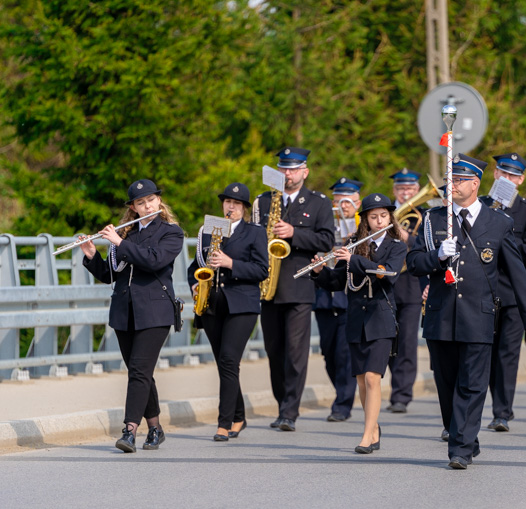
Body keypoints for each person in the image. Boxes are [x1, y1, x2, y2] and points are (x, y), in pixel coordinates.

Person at [406, 154, 526, 469]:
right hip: (441, 315)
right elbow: (413, 263)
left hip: (478, 316)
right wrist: (436, 256)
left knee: (472, 384)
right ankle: (466, 435)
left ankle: (461, 449)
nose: (451, 185)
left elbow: (517, 273)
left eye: (458, 180)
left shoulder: (499, 222)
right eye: (450, 179)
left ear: (475, 183)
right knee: (446, 384)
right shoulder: (433, 219)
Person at [80, 179, 184, 453]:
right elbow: (110, 275)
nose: (147, 205)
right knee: (141, 373)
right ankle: (156, 429)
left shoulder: (172, 233)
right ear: (134, 208)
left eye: (151, 199)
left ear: (158, 201)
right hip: (125, 312)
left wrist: (118, 241)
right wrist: (92, 256)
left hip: (155, 311)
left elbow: (154, 261)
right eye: (140, 202)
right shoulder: (127, 233)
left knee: (139, 370)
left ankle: (129, 431)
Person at [311, 194, 406, 453]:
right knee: (363, 381)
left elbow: (388, 275)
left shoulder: (396, 246)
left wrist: (355, 260)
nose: (378, 221)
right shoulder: (355, 243)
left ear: (390, 218)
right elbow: (339, 281)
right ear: (365, 219)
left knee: (374, 378)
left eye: (383, 216)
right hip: (356, 318)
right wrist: (319, 272)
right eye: (373, 216)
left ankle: (366, 435)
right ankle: (373, 427)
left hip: (381, 317)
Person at [252, 147, 335, 432]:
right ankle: (281, 405)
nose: (288, 174)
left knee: (295, 351)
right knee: (274, 350)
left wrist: (294, 234)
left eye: (293, 169)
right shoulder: (263, 201)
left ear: (305, 172)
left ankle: (290, 410)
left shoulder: (319, 202)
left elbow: (326, 240)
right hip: (268, 287)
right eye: (283, 169)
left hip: (299, 286)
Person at [188, 183, 269, 441]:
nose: (230, 207)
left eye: (236, 203)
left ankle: (223, 424)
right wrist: (193, 282)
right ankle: (239, 416)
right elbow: (195, 265)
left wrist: (230, 263)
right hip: (212, 304)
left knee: (228, 361)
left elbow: (261, 270)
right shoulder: (209, 230)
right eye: (226, 202)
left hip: (242, 304)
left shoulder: (255, 233)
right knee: (225, 365)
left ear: (244, 208)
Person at [480, 153, 526, 431]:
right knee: (486, 351)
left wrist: (503, 234)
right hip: (483, 289)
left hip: (513, 293)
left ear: (521, 180)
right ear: (495, 175)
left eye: (513, 176)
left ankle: (502, 411)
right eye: (502, 174)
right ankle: (492, 404)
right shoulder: (480, 205)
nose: (507, 180)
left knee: (507, 353)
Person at [314, 177, 361, 423]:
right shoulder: (325, 226)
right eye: (338, 200)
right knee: (328, 353)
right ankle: (340, 393)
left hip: (347, 298)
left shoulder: (363, 227)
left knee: (344, 354)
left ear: (358, 202)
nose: (343, 206)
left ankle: (343, 403)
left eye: (349, 201)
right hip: (324, 298)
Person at [387, 168, 426, 414]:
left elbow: (425, 246)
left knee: (408, 342)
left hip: (411, 286)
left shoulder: (425, 215)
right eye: (401, 189)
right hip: (387, 284)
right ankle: (396, 385)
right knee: (389, 341)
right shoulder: (385, 214)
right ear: (394, 191)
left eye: (410, 189)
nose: (405, 193)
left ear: (417, 189)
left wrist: (407, 238)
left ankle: (402, 395)